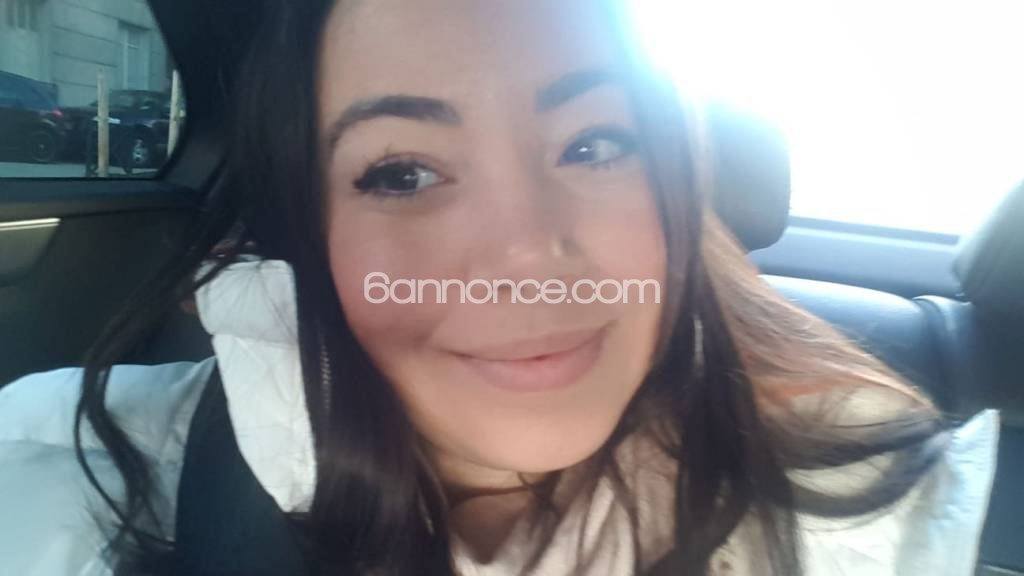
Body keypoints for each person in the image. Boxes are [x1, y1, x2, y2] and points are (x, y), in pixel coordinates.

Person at [0, 1, 999, 575]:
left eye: (595, 144)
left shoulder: (881, 517)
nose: (526, 250)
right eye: (400, 172)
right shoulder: (72, 468)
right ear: (302, 233)